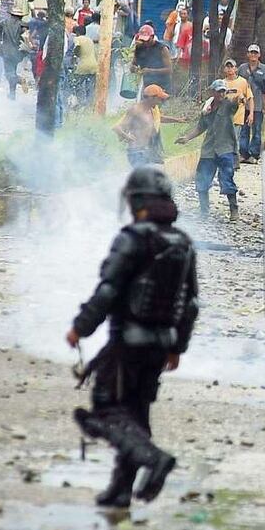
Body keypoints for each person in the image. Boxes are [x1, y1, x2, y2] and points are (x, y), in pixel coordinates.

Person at [69, 166, 198, 508]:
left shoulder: (132, 238)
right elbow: (191, 304)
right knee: (137, 415)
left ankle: (154, 460)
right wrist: (177, 347)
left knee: (106, 410)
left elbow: (108, 290)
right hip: (160, 345)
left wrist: (80, 327)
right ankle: (121, 489)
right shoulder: (183, 243)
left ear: (137, 201)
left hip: (127, 343)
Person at [175, 80, 243, 221]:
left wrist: (239, 99)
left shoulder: (228, 105)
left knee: (227, 179)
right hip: (209, 149)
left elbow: (235, 103)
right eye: (218, 91)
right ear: (212, 92)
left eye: (223, 91)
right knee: (202, 179)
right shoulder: (207, 108)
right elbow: (201, 127)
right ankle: (204, 211)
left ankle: (234, 210)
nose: (221, 94)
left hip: (225, 148)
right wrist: (187, 138)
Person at [113, 85, 170, 167]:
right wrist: (127, 137)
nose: (160, 102)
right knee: (145, 173)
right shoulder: (135, 110)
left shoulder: (152, 110)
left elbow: (159, 119)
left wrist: (179, 120)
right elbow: (117, 128)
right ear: (151, 98)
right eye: (159, 99)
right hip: (136, 152)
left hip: (148, 151)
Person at [236, 44, 265, 163]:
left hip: (258, 105)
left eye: (255, 53)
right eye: (251, 52)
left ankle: (254, 154)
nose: (253, 55)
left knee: (257, 131)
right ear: (247, 54)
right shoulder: (242, 68)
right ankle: (243, 154)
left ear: (259, 55)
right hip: (243, 105)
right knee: (244, 130)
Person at [0, 1, 26, 99]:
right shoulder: (23, 25)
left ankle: (19, 80)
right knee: (13, 71)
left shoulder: (4, 22)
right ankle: (12, 94)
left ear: (11, 14)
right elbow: (26, 38)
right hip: (18, 52)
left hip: (6, 52)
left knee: (9, 74)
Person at [131, 24, 173, 95]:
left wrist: (151, 71)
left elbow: (169, 70)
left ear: (152, 37)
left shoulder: (162, 49)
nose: (145, 43)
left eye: (147, 40)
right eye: (142, 40)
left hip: (162, 85)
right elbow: (133, 64)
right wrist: (134, 68)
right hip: (147, 85)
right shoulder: (139, 48)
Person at [70, 24, 98, 107]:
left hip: (83, 66)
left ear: (77, 32)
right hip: (93, 65)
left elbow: (77, 47)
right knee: (90, 87)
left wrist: (75, 54)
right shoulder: (90, 40)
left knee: (77, 84)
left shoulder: (77, 39)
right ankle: (89, 104)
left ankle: (80, 102)